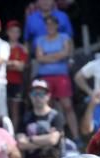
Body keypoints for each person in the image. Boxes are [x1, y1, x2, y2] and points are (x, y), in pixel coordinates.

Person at [33, 14, 78, 142]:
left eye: (52, 24)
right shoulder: (40, 39)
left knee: (67, 106)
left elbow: (66, 53)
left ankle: (76, 136)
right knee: (49, 106)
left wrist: (48, 56)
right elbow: (39, 57)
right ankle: (55, 136)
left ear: (57, 25)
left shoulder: (64, 37)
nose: (50, 26)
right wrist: (57, 56)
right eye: (48, 24)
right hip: (45, 77)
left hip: (61, 76)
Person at [16, 79, 64, 158]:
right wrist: (45, 139)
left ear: (48, 95)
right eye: (34, 93)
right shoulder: (25, 117)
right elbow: (21, 144)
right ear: (30, 95)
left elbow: (53, 140)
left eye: (42, 93)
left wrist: (30, 139)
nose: (38, 96)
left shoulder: (56, 116)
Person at [5, 20, 25, 131]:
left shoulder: (22, 48)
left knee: (15, 110)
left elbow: (21, 67)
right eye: (12, 31)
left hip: (17, 82)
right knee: (3, 109)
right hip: (3, 82)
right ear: (7, 32)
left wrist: (6, 63)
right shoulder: (2, 46)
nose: (14, 34)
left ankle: (14, 133)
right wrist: (13, 63)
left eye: (17, 32)